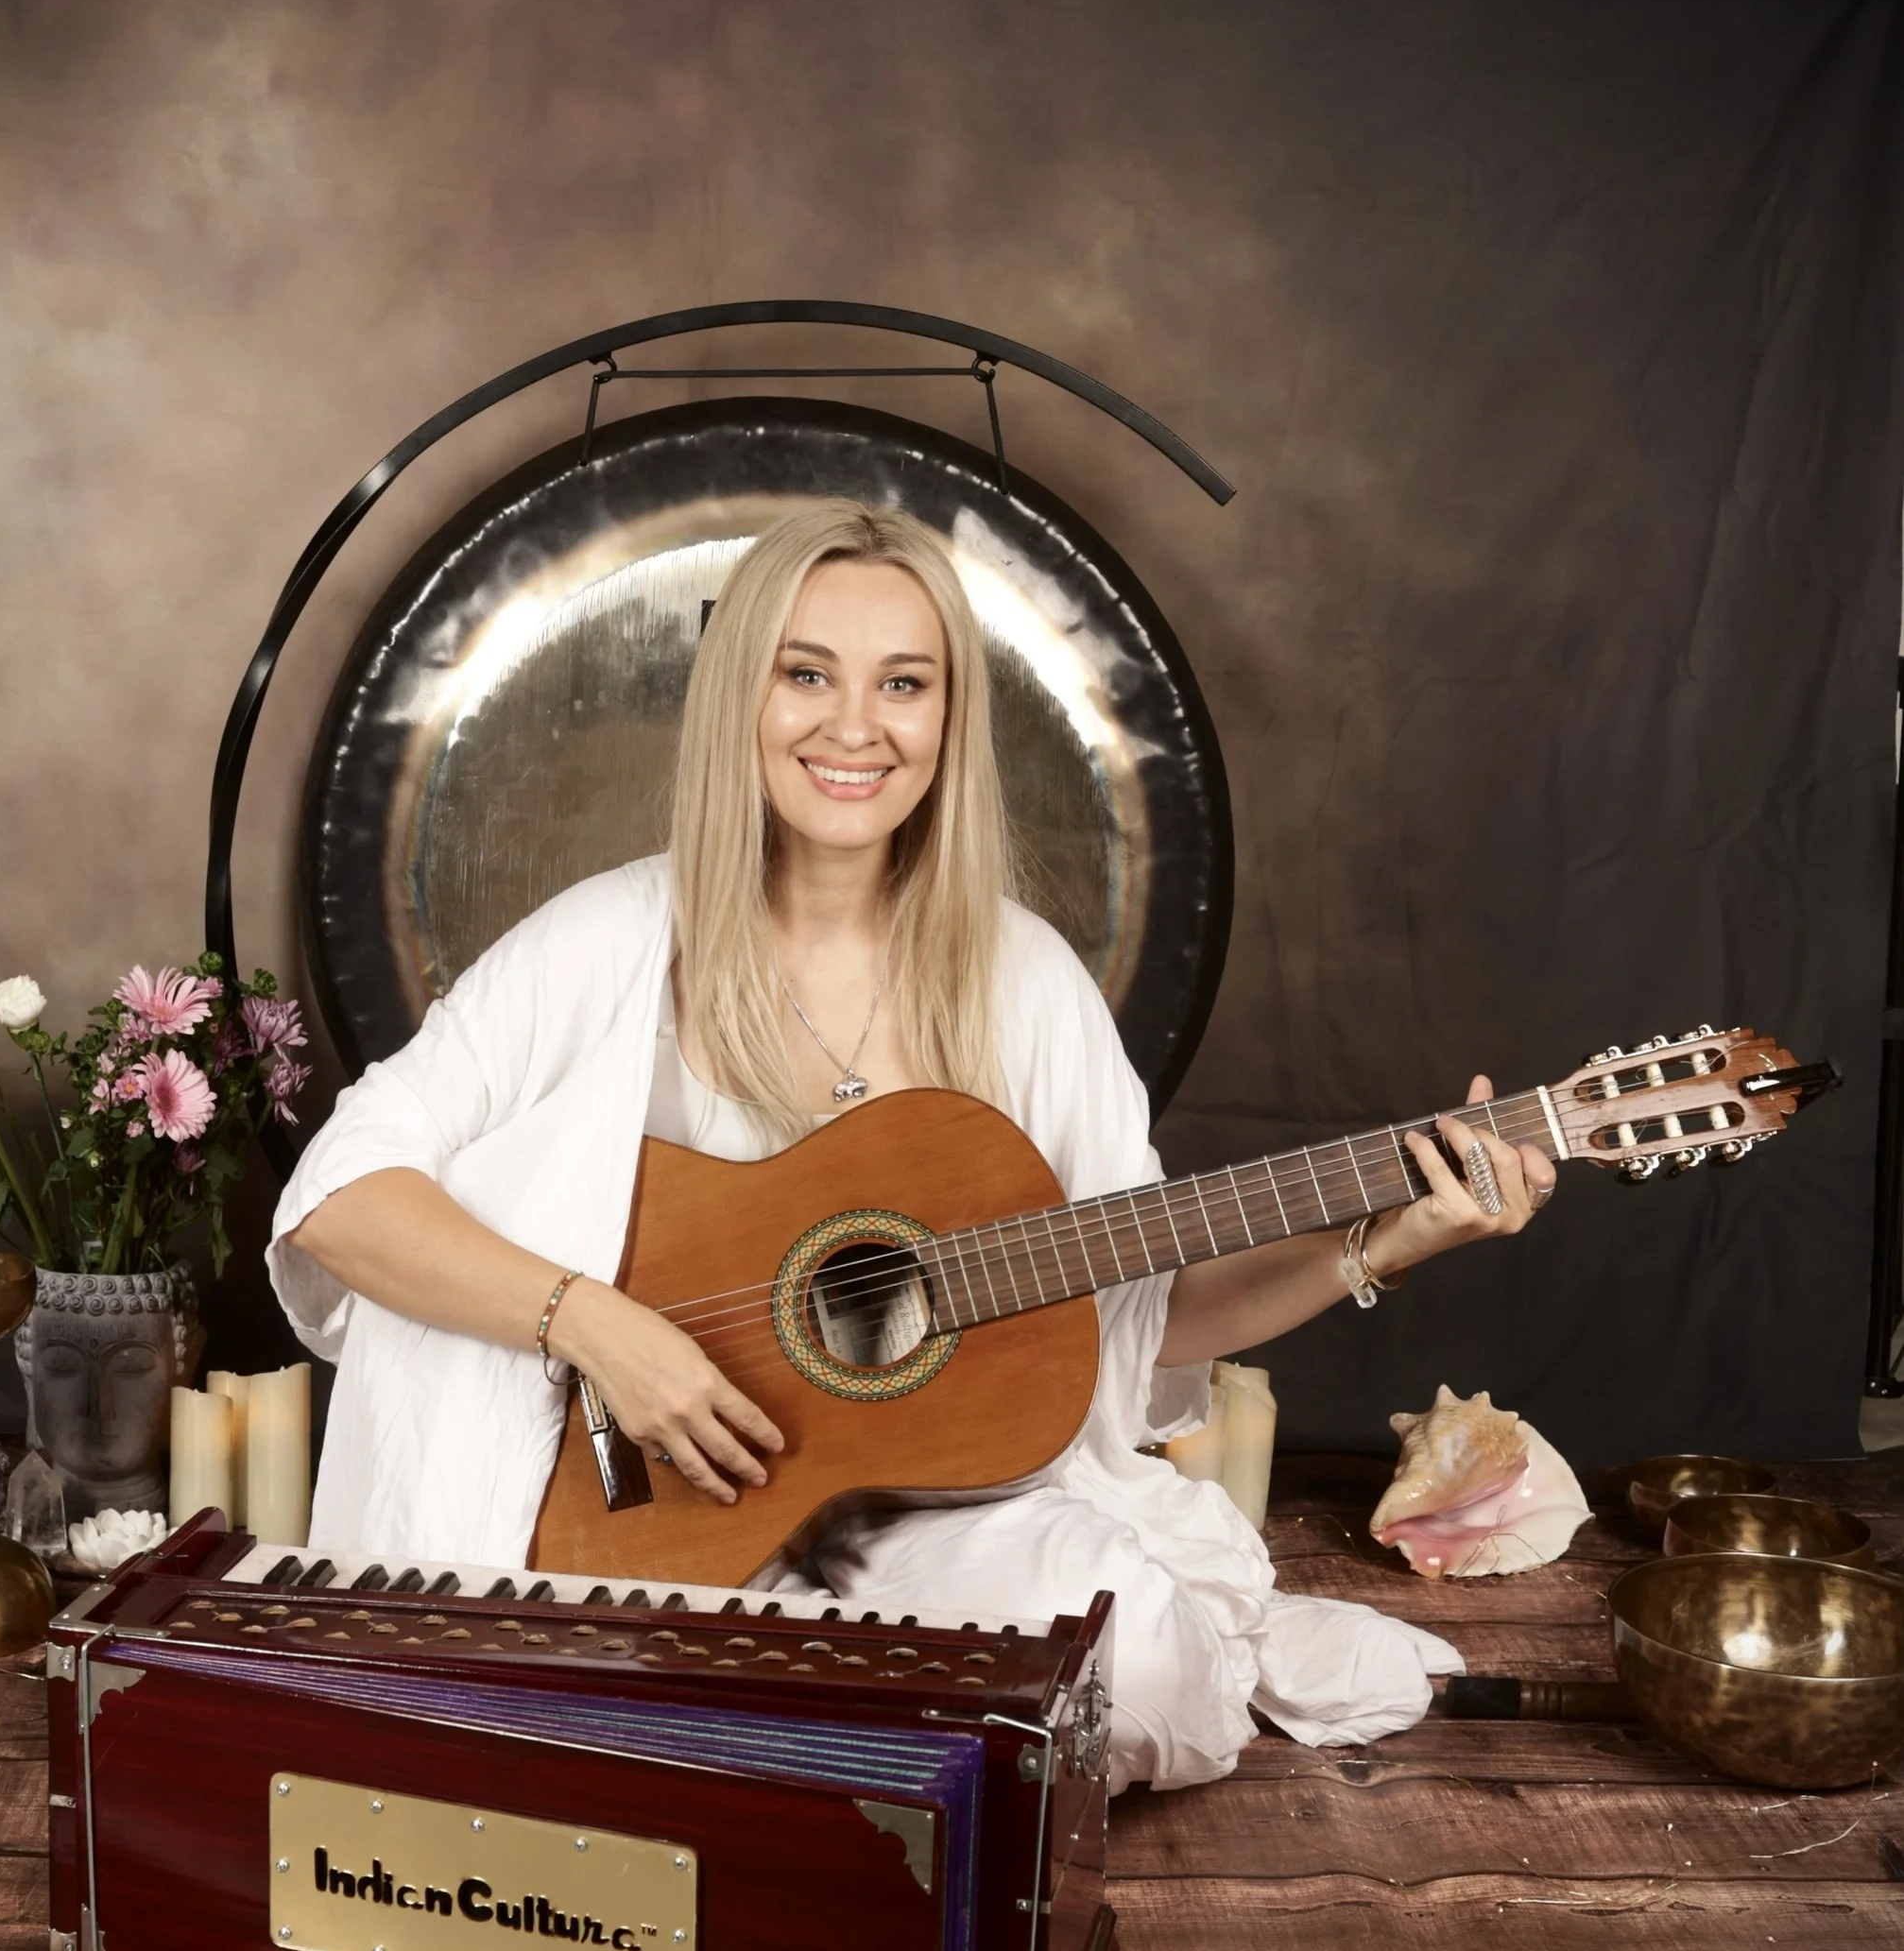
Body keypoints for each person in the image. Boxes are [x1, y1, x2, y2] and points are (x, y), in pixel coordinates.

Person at [267, 502, 1554, 1792]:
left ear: (949, 719)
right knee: (652, 1734)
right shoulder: (601, 944)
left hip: (933, 1516)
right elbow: (340, 1198)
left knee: (1142, 1677)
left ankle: (789, 1721)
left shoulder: (1023, 981)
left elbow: (1144, 1306)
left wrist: (1380, 1240)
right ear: (740, 696)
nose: (854, 726)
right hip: (643, 1511)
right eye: (806, 674)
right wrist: (599, 1328)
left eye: (903, 683)